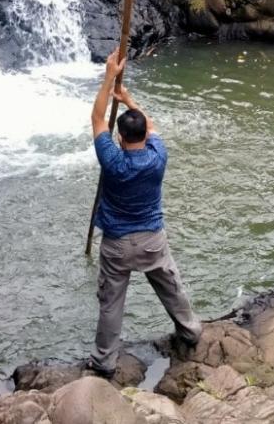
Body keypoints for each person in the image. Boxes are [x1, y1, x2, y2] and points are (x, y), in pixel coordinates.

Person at [85, 48, 201, 379]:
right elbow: (150, 125)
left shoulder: (113, 159)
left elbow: (96, 119)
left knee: (111, 304)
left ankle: (105, 361)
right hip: (152, 238)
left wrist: (110, 77)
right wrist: (129, 98)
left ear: (119, 137)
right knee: (171, 287)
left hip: (117, 244)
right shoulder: (157, 155)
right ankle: (190, 330)